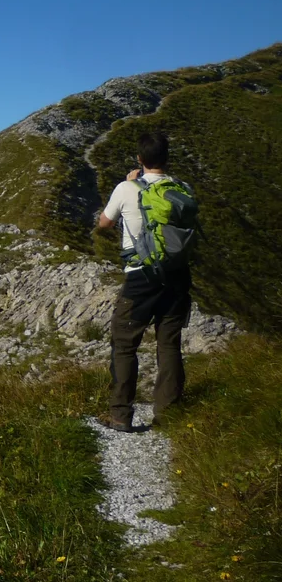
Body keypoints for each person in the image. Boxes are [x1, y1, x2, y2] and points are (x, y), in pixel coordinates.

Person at [95, 131, 191, 432]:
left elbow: (104, 223)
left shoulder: (127, 188)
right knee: (169, 344)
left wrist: (129, 183)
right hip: (177, 275)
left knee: (124, 344)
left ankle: (121, 415)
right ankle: (168, 414)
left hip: (141, 276)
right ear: (167, 157)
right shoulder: (181, 188)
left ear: (140, 159)